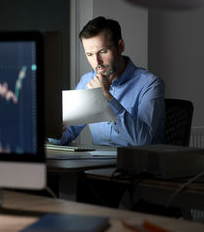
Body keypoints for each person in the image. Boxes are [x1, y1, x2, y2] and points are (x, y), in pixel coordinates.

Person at [57, 16, 165, 147]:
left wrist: (106, 97)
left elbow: (142, 141)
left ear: (121, 46)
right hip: (97, 164)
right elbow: (68, 133)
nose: (97, 62)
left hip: (139, 164)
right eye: (89, 55)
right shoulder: (87, 80)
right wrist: (53, 129)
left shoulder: (150, 84)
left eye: (103, 51)